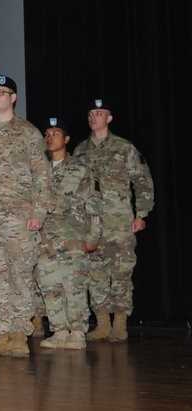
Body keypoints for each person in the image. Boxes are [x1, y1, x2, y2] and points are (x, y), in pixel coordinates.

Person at [0, 75, 53, 358]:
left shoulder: (28, 132)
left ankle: (20, 334)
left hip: (20, 217)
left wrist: (39, 212)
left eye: (1, 92)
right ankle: (2, 332)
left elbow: (43, 175)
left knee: (20, 276)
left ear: (14, 97)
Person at [72, 98, 154, 342]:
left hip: (119, 222)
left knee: (121, 273)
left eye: (99, 113)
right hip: (91, 225)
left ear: (109, 118)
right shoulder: (80, 151)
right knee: (95, 274)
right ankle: (103, 323)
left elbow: (142, 180)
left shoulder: (124, 148)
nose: (94, 117)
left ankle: (120, 323)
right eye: (91, 113)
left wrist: (142, 214)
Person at [37, 117, 102, 349]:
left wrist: (93, 237)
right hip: (44, 240)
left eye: (55, 133)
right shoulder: (38, 169)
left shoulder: (81, 170)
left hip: (73, 239)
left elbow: (94, 205)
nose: (49, 138)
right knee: (49, 286)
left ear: (66, 139)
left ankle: (77, 332)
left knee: (74, 287)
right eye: (46, 134)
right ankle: (59, 330)